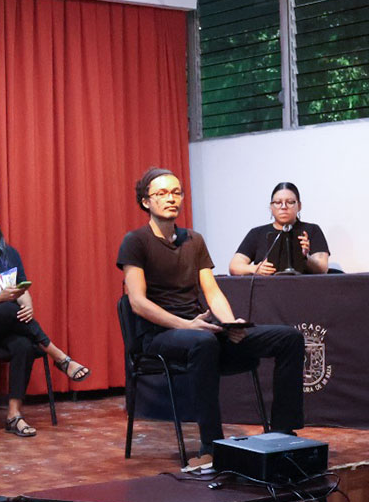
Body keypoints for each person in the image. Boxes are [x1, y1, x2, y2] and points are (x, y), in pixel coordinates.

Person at [116, 168, 305, 459]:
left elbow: (212, 291)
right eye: (162, 194)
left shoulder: (194, 240)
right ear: (146, 202)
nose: (171, 199)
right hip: (157, 337)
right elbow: (137, 302)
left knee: (289, 338)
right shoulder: (136, 241)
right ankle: (212, 446)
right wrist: (186, 325)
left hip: (197, 331)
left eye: (176, 193)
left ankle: (282, 433)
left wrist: (229, 324)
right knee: (203, 342)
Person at [0, 199, 91, 437]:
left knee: (22, 343)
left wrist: (28, 309)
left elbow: (23, 291)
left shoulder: (9, 254)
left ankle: (14, 415)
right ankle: (59, 357)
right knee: (9, 308)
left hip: (4, 323)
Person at [229, 182, 330, 275]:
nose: (283, 207)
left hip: (304, 288)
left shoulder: (311, 230)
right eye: (277, 202)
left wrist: (304, 257)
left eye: (290, 202)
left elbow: (322, 268)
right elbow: (234, 266)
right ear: (271, 207)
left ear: (299, 206)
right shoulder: (257, 233)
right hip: (267, 289)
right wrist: (256, 269)